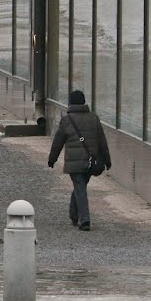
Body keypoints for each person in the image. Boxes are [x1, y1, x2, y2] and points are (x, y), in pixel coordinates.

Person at [47, 90, 111, 231]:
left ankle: (84, 219)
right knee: (80, 187)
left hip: (74, 163)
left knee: (79, 187)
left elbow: (58, 141)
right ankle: (74, 215)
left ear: (70, 102)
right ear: (83, 102)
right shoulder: (94, 118)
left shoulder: (67, 120)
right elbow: (102, 141)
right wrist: (107, 160)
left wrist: (52, 159)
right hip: (90, 162)